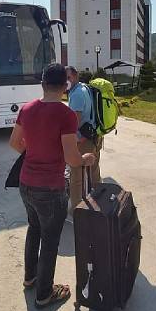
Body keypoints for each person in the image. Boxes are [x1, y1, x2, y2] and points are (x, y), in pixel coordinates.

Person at [8, 63, 96, 308]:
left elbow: (15, 143)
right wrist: (86, 159)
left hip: (26, 184)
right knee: (49, 240)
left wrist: (34, 151)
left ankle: (30, 278)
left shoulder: (27, 109)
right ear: (65, 86)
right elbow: (71, 157)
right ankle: (45, 293)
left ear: (42, 83)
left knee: (33, 229)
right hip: (50, 188)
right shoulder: (65, 114)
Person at [66, 66, 102, 211]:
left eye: (68, 78)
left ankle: (76, 210)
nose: (65, 81)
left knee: (76, 176)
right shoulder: (84, 88)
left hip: (83, 140)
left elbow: (74, 122)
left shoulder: (76, 95)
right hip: (94, 135)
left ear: (75, 77)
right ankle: (99, 200)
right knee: (93, 170)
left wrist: (72, 141)